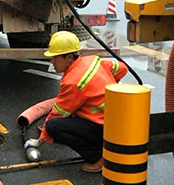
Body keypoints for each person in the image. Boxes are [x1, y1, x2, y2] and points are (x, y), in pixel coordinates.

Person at [25, 31, 128, 172]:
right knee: (74, 117)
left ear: (69, 58)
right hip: (120, 122)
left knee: (53, 126)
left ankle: (98, 158)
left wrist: (40, 141)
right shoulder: (93, 60)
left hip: (103, 128)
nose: (52, 62)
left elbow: (58, 113)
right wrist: (108, 86)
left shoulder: (73, 81)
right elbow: (122, 68)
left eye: (55, 57)